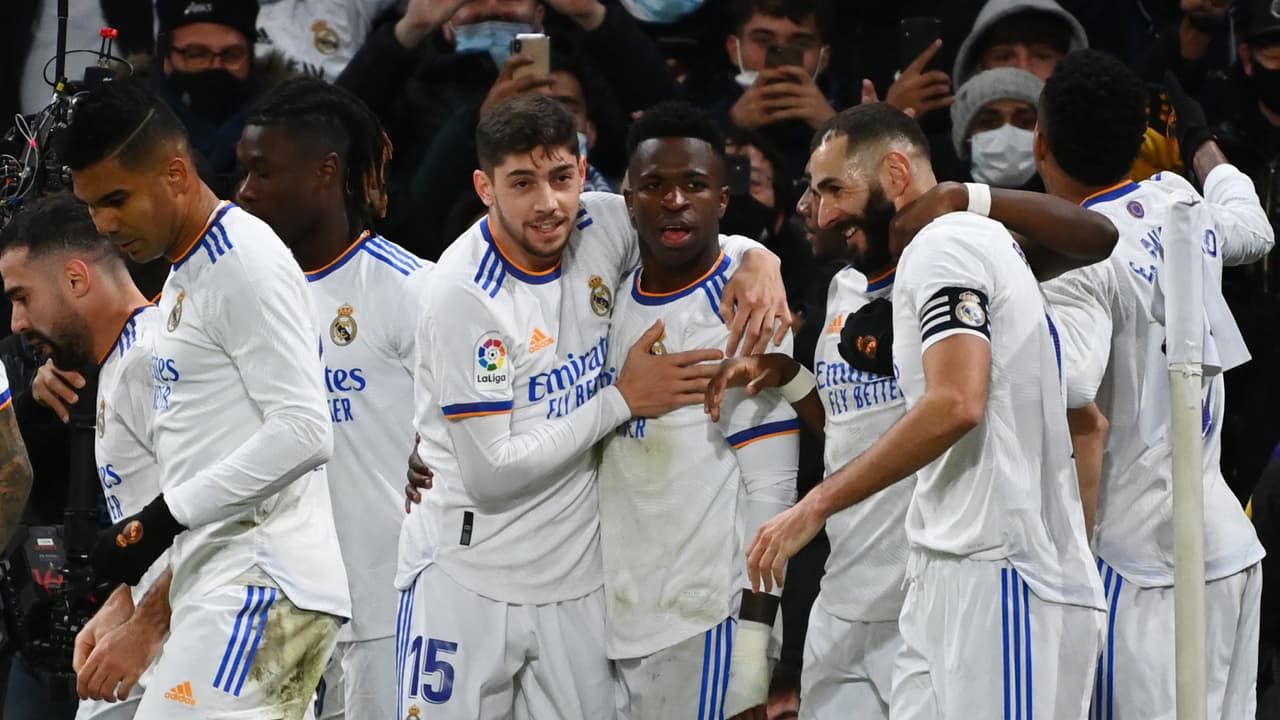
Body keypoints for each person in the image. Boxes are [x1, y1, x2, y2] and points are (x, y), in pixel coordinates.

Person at [711, 102, 1115, 719]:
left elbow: (956, 403)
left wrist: (814, 504)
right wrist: (791, 380)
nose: (816, 208)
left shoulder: (951, 246)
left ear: (896, 175)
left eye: (833, 189)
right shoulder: (852, 285)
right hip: (917, 578)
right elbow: (853, 429)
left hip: (993, 569)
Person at [396, 93, 789, 719]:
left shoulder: (601, 223)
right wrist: (622, 399)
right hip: (469, 577)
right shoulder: (464, 293)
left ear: (583, 172)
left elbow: (684, 223)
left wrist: (758, 258)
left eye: (560, 177)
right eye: (521, 184)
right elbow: (491, 473)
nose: (547, 203)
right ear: (484, 188)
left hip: (579, 587)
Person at [61, 78, 349, 718]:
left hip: (262, 582)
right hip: (224, 580)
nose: (104, 225)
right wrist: (139, 595)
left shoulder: (241, 258)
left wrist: (159, 520)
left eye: (116, 199)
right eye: (92, 208)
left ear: (174, 172)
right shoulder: (189, 272)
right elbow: (211, 448)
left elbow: (305, 429)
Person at [1035, 48, 1273, 719]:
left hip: (1137, 564)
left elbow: (1071, 390)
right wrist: (1200, 143)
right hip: (1226, 547)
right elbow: (1254, 229)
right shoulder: (1178, 201)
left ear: (1040, 141)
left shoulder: (1074, 259)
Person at [234, 77, 430, 720]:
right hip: (277, 611)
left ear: (326, 172)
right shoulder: (242, 297)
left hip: (386, 612)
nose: (244, 192)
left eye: (264, 172)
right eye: (243, 172)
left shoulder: (411, 290)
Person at [600, 101, 800, 719]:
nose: (675, 201)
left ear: (722, 199)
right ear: (628, 200)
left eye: (694, 185)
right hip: (613, 624)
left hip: (708, 623)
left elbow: (773, 493)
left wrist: (752, 657)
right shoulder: (606, 300)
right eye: (655, 186)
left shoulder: (747, 313)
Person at [1, 194, 171, 720]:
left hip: (195, 636)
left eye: (23, 297)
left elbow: (229, 511)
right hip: (143, 628)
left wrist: (150, 621)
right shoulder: (119, 362)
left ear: (76, 279)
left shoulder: (157, 360)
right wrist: (127, 599)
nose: (16, 322)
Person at [151, 0, 293, 198]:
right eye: (196, 54)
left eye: (232, 55)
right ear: (166, 58)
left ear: (251, 57)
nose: (216, 66)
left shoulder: (290, 123)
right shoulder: (128, 123)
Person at [949, 67, 1043, 189]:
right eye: (989, 122)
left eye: (1024, 121)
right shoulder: (939, 196)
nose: (1008, 134)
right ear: (965, 137)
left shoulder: (1065, 196)